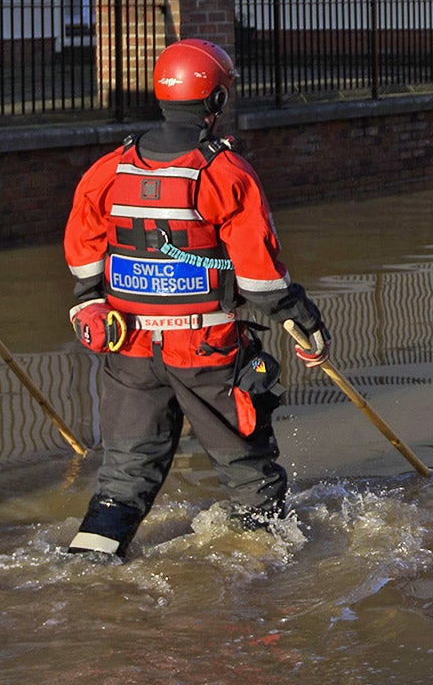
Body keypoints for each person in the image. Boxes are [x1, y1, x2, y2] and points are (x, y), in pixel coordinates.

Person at [61, 38, 331, 558]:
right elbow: (260, 282)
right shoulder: (225, 174)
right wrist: (305, 320)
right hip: (207, 352)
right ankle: (267, 586)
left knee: (123, 480)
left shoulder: (108, 170)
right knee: (249, 475)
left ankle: (87, 570)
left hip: (129, 351)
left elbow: (84, 267)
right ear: (216, 102)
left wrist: (94, 300)